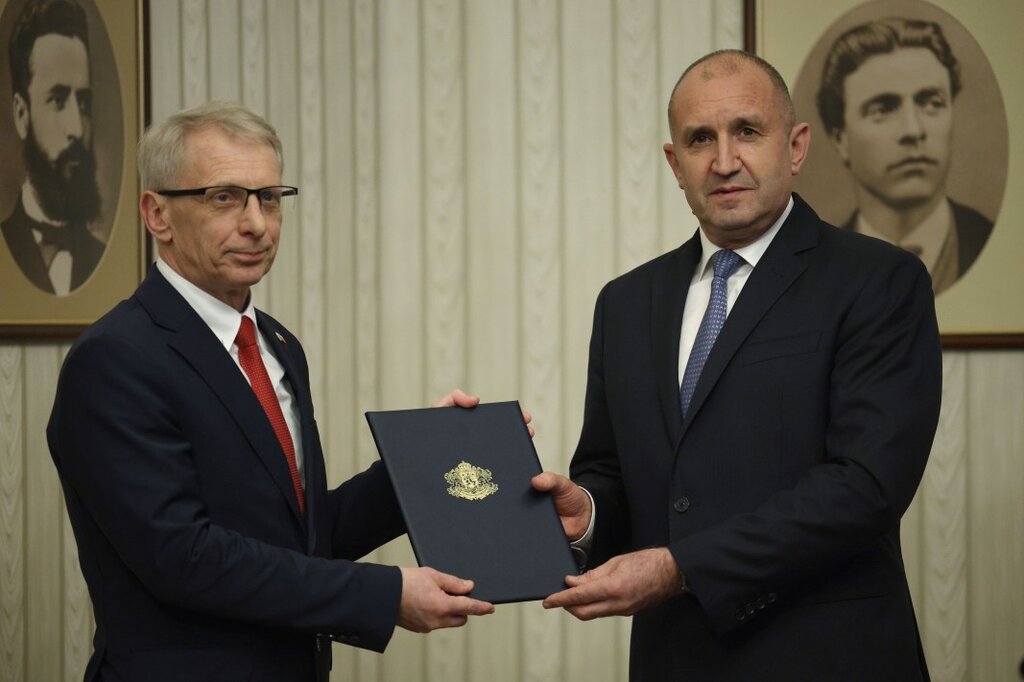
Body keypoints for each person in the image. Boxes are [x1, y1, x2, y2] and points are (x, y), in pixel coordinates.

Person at [47, 101, 495, 682]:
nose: (256, 223)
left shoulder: (277, 344)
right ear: (157, 214)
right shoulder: (115, 359)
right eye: (224, 198)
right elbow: (184, 558)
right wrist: (384, 595)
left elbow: (302, 538)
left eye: (270, 197)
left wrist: (421, 461)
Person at [535, 49, 941, 680]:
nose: (724, 161)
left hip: (828, 658)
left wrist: (680, 568)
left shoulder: (878, 281)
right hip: (675, 660)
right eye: (700, 139)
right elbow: (612, 470)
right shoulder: (625, 303)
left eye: (747, 131)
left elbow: (865, 488)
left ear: (796, 146)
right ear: (675, 163)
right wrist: (589, 514)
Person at [816, 17, 993, 295]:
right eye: (882, 109)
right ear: (841, 139)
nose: (913, 130)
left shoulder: (992, 242)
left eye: (932, 103)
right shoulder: (817, 267)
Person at [2, 0, 106, 295]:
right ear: (22, 114)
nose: (77, 128)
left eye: (83, 103)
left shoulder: (98, 254)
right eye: (58, 100)